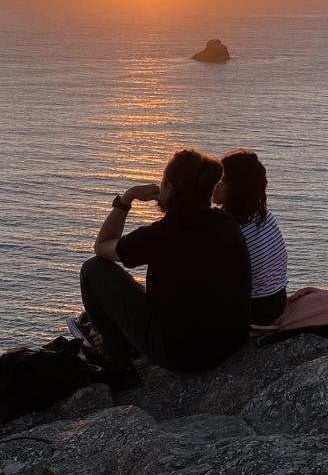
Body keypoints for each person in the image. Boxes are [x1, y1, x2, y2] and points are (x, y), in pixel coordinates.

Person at [79, 148, 251, 387]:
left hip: (183, 355)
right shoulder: (227, 223)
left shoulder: (162, 234)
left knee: (93, 270)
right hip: (230, 343)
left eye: (163, 181)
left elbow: (102, 247)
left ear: (168, 186)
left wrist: (125, 200)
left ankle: (119, 365)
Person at [213, 149, 289, 325]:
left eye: (222, 180)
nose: (215, 184)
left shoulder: (229, 230)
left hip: (254, 310)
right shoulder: (264, 217)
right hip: (277, 301)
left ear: (238, 188)